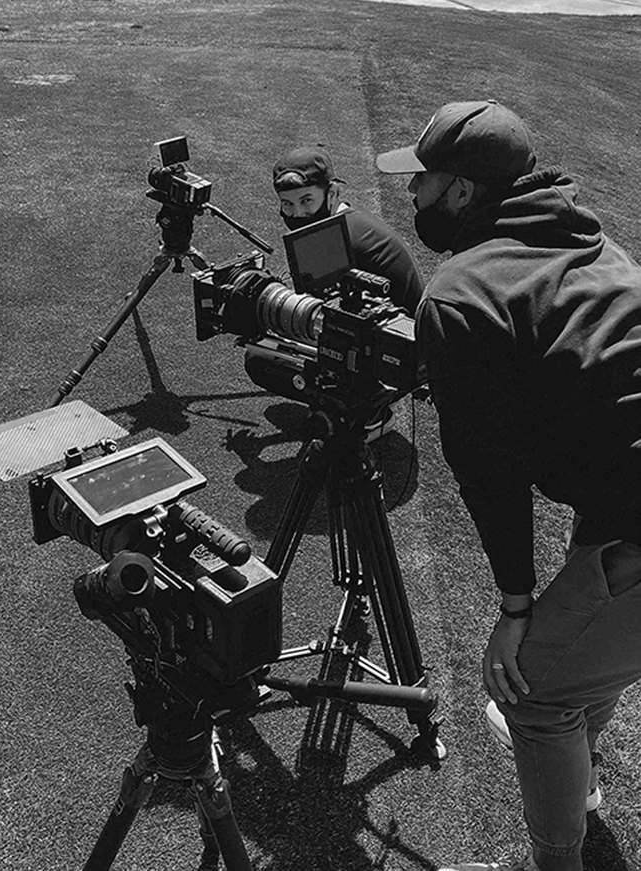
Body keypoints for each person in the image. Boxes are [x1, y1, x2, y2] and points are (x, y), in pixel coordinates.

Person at [376, 99, 641, 871]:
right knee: (579, 651)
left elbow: (490, 478)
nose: (413, 195)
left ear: (461, 192)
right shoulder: (593, 242)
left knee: (534, 694)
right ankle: (577, 773)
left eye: (422, 180)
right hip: (623, 498)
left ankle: (551, 864)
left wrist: (516, 608)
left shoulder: (460, 295)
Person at [272, 143, 424, 315]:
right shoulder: (346, 218)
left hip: (402, 331)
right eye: (287, 204)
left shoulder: (335, 238)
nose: (298, 213)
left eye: (306, 200)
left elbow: (316, 312)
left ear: (332, 193)